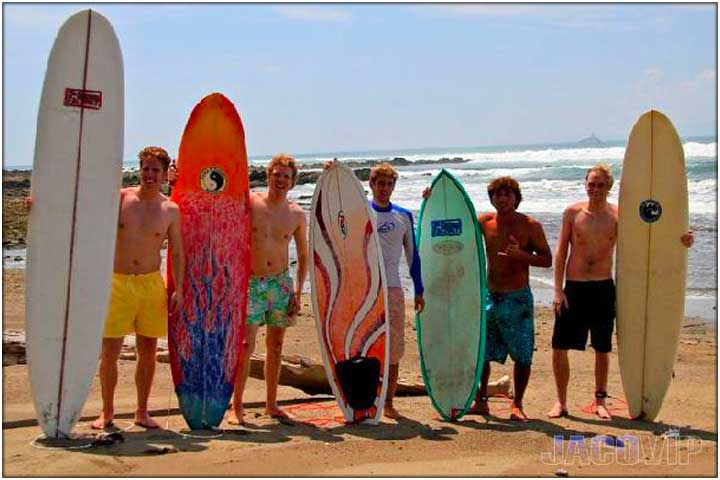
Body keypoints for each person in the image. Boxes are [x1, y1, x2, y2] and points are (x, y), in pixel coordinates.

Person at [547, 165, 694, 420]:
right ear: (585, 184)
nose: (595, 189)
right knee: (560, 346)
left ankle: (600, 401)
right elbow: (561, 253)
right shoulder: (572, 213)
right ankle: (561, 402)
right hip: (575, 287)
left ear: (610, 187)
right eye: (591, 184)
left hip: (604, 287)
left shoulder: (620, 215)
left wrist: (680, 239)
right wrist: (558, 290)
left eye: (600, 185)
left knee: (602, 348)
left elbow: (649, 238)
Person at [423, 177, 551, 420]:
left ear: (516, 197)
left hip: (518, 298)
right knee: (481, 350)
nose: (501, 199)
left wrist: (521, 255)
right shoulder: (485, 222)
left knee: (523, 354)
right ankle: (481, 400)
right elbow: (454, 227)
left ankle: (518, 405)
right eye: (496, 195)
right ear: (491, 198)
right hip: (490, 296)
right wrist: (433, 201)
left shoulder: (530, 225)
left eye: (507, 194)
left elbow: (547, 260)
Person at [86, 146, 184, 429]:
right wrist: (40, 204)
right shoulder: (120, 199)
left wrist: (179, 289)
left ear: (165, 174)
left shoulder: (170, 209)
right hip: (116, 282)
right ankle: (107, 412)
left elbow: (177, 253)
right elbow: (84, 212)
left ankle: (142, 411)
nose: (150, 174)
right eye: (146, 169)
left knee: (148, 352)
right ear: (139, 169)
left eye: (156, 170)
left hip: (151, 284)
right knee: (110, 352)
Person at [227, 154, 308, 424]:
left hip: (280, 284)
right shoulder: (250, 202)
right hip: (252, 283)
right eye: (276, 174)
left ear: (293, 181)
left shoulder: (296, 213)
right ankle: (236, 405)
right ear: (268, 175)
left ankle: (271, 404)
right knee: (245, 344)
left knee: (276, 346)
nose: (281, 180)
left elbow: (304, 255)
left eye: (286, 176)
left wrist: (297, 291)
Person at [364, 162, 425, 419]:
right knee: (365, 346)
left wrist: (419, 289)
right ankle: (365, 399)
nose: (385, 189)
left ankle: (388, 402)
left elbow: (413, 256)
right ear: (371, 184)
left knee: (394, 348)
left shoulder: (402, 216)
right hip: (366, 289)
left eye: (390, 184)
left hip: (392, 288)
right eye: (381, 183)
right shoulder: (361, 212)